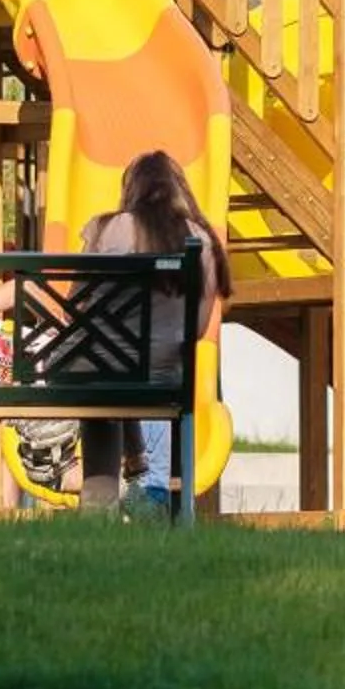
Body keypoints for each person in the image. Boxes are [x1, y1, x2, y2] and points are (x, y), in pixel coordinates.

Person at [79, 150, 231, 516]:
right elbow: (195, 331)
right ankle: (146, 482)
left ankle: (100, 504)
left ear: (131, 191)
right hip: (163, 376)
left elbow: (79, 308)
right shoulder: (202, 240)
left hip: (101, 372)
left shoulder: (105, 228)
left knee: (103, 375)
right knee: (141, 371)